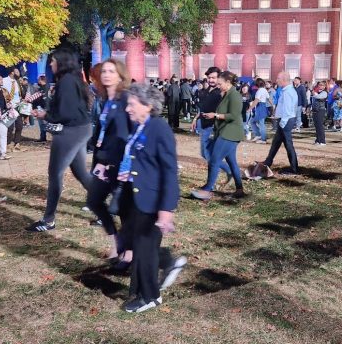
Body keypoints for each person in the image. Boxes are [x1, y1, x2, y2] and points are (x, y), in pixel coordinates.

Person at [117, 84, 185, 313]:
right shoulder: (141, 127)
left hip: (152, 202)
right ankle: (138, 290)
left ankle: (151, 297)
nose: (127, 108)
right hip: (136, 199)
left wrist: (166, 210)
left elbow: (169, 171)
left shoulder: (159, 128)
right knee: (138, 247)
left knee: (146, 251)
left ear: (147, 106)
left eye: (132, 104)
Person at [27, 49, 93, 232]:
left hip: (71, 132)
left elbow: (66, 113)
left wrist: (45, 114)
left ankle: (48, 220)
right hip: (81, 129)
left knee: (55, 174)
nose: (50, 64)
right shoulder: (74, 80)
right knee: (81, 174)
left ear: (62, 62)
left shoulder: (66, 82)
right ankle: (108, 208)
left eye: (53, 61)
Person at [85, 59, 132, 262]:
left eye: (111, 71)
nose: (106, 74)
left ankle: (129, 251)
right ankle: (116, 242)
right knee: (94, 201)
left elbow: (127, 134)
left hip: (120, 162)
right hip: (103, 160)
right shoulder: (106, 99)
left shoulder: (126, 99)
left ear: (121, 76)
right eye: (103, 71)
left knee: (123, 208)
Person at [191, 71, 245, 200]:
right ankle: (239, 189)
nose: (218, 86)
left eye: (220, 83)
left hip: (230, 133)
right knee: (232, 162)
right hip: (225, 132)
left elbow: (234, 116)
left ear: (228, 82)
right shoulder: (227, 94)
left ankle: (207, 190)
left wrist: (215, 115)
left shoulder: (235, 96)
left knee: (214, 160)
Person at [191, 67, 232, 183]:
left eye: (213, 77)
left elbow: (226, 112)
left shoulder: (221, 93)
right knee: (204, 154)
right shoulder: (205, 91)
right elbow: (202, 109)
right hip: (203, 126)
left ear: (219, 78)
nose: (211, 80)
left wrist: (215, 116)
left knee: (210, 156)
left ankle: (211, 184)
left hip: (213, 128)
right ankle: (229, 171)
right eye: (209, 77)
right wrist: (195, 119)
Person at [257, 71, 299, 175]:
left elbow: (288, 110)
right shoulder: (287, 90)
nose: (276, 80)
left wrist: (282, 123)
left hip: (286, 120)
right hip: (285, 120)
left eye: (278, 78)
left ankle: (294, 169)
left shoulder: (288, 92)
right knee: (276, 143)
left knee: (288, 144)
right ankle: (268, 161)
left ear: (284, 79)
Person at [3, 68, 25, 152]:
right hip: (9, 106)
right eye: (17, 72)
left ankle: (17, 143)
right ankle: (8, 143)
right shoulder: (4, 80)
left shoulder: (17, 81)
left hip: (17, 106)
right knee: (10, 127)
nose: (19, 73)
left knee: (19, 125)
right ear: (12, 72)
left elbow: (21, 93)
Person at [32, 75, 50, 142]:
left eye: (38, 79)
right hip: (40, 107)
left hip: (46, 107)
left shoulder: (47, 87)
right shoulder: (40, 88)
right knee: (41, 123)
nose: (37, 81)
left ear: (41, 80)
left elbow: (46, 98)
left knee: (46, 123)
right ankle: (43, 137)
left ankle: (53, 136)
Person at [311, 81, 328, 145]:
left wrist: (314, 93)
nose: (320, 86)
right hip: (315, 110)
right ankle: (318, 140)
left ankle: (322, 141)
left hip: (320, 110)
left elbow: (318, 97)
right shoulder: (317, 92)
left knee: (320, 126)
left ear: (325, 86)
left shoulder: (324, 93)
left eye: (322, 85)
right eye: (320, 85)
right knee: (316, 126)